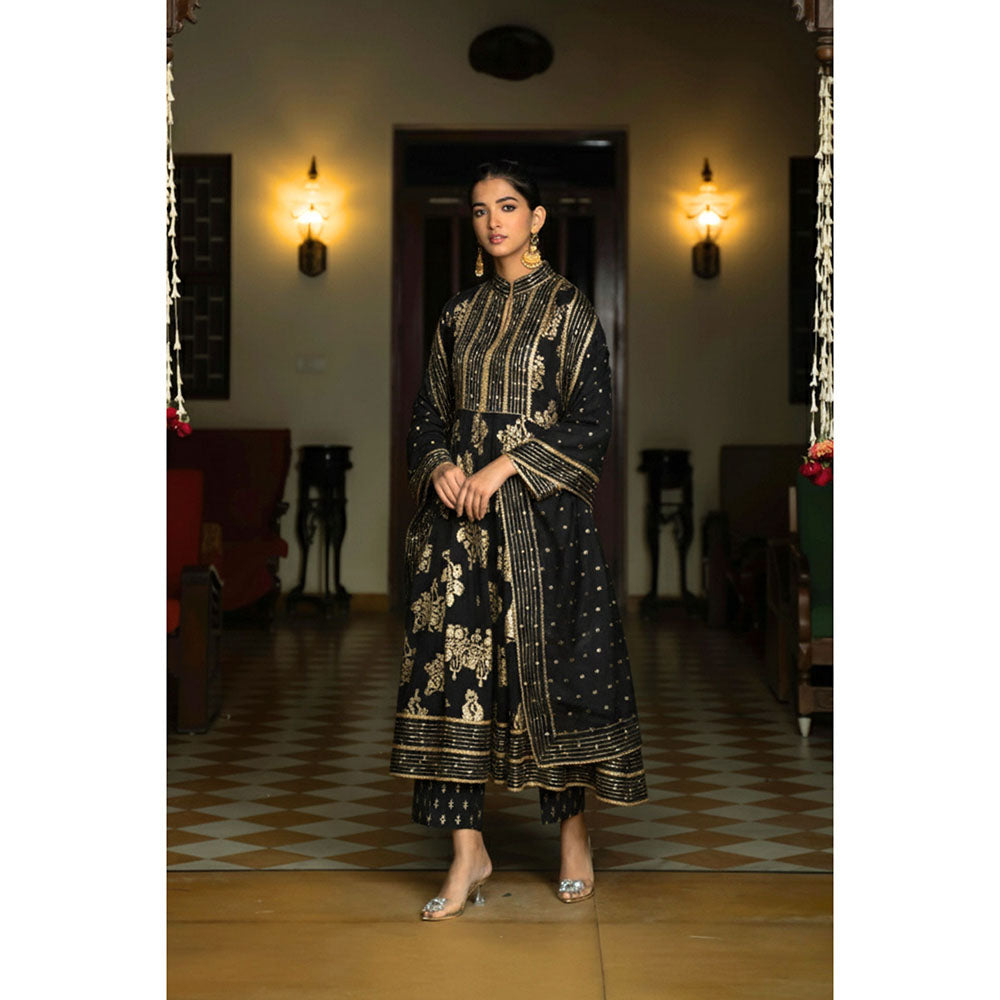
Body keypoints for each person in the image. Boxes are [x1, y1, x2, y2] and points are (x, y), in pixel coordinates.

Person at [389, 160, 647, 921]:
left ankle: (574, 836)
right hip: (456, 532)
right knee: (451, 679)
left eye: (507, 206)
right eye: (479, 209)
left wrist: (505, 465)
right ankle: (467, 850)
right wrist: (440, 465)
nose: (493, 220)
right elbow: (427, 413)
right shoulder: (458, 314)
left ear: (536, 218)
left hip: (541, 526)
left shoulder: (569, 310)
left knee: (553, 676)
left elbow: (591, 424)